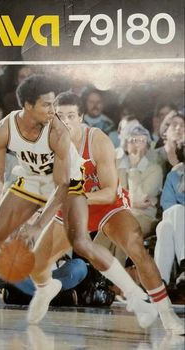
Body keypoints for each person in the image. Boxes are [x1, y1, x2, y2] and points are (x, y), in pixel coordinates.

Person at [25, 92, 184, 335]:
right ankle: (48, 288)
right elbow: (55, 188)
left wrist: (78, 198)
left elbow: (110, 192)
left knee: (135, 246)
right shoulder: (49, 143)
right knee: (36, 264)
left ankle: (166, 313)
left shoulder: (97, 140)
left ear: (81, 117)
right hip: (74, 204)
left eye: (71, 116)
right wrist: (39, 217)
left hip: (104, 202)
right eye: (60, 116)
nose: (65, 121)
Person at [0, 74, 84, 328]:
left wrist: (38, 224)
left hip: (71, 185)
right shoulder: (4, 129)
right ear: (28, 106)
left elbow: (63, 185)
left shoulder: (58, 132)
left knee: (49, 252)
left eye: (53, 103)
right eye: (46, 104)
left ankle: (48, 286)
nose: (52, 110)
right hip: (33, 180)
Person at [117, 125, 163, 237]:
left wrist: (133, 169)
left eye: (141, 141)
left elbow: (139, 198)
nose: (136, 144)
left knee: (124, 227)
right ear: (126, 145)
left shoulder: (155, 169)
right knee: (107, 228)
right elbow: (112, 198)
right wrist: (133, 203)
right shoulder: (118, 167)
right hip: (119, 214)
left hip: (144, 216)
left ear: (147, 147)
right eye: (132, 140)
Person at [154, 143, 185, 286]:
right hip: (176, 220)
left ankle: (158, 285)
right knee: (165, 224)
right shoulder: (174, 176)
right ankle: (161, 281)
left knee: (165, 226)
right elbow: (167, 204)